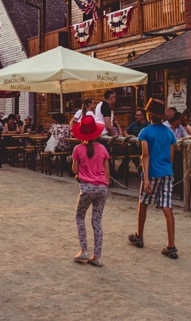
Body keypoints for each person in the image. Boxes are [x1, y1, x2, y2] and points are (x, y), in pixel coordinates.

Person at [128, 98, 178, 260]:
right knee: (167, 207)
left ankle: (140, 235)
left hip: (153, 172)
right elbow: (171, 156)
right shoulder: (169, 132)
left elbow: (145, 155)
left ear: (149, 116)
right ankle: (171, 246)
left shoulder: (145, 132)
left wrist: (147, 177)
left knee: (143, 204)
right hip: (167, 172)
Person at [71, 115, 110, 268]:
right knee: (97, 221)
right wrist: (105, 184)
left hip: (87, 187)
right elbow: (107, 172)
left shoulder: (78, 149)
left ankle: (84, 249)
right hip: (101, 187)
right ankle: (97, 256)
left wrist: (80, 173)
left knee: (80, 216)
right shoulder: (103, 149)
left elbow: (74, 169)